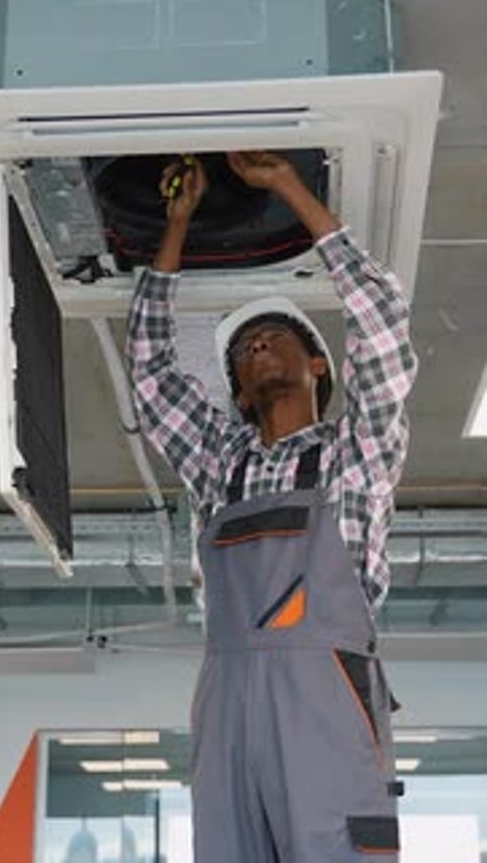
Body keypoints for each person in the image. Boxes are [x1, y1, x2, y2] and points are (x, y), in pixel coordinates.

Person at [126, 150, 418, 863]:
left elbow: (382, 329)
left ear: (320, 363)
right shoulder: (219, 463)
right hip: (228, 704)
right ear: (235, 389)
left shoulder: (356, 455)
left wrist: (290, 188)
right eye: (242, 351)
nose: (255, 344)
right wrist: (176, 229)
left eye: (275, 335)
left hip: (324, 703)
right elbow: (150, 371)